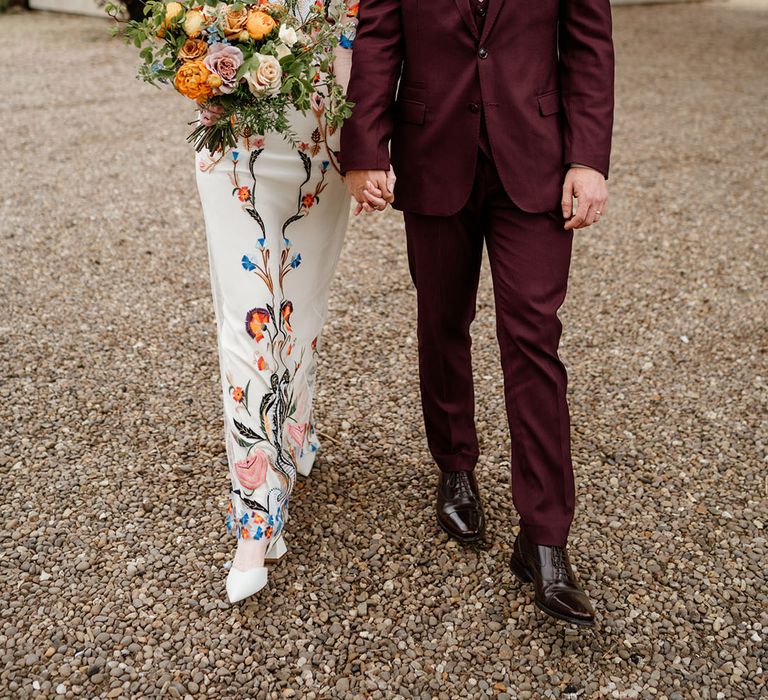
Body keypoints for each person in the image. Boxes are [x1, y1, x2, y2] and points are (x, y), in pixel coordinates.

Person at [342, 0, 614, 626]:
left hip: (537, 159)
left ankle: (545, 537)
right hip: (434, 153)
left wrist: (588, 159)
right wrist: (364, 148)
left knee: (533, 337)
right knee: (441, 321)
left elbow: (589, 47)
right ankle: (455, 467)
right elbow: (378, 42)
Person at [195, 0, 360, 604]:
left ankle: (295, 433)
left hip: (323, 138)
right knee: (248, 323)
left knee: (301, 309)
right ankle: (255, 521)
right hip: (231, 139)